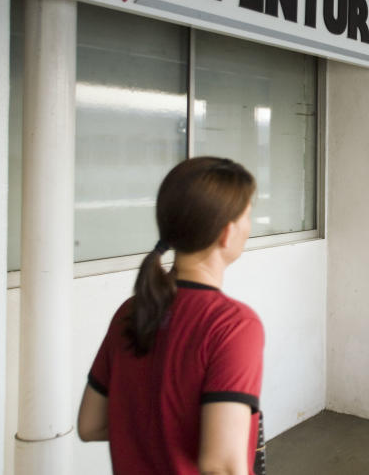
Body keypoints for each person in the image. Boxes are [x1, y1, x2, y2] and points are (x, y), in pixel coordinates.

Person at [77, 157, 264, 474]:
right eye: (247, 215)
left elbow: (90, 425)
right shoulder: (233, 325)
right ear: (226, 232)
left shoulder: (131, 311)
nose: (250, 226)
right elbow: (221, 466)